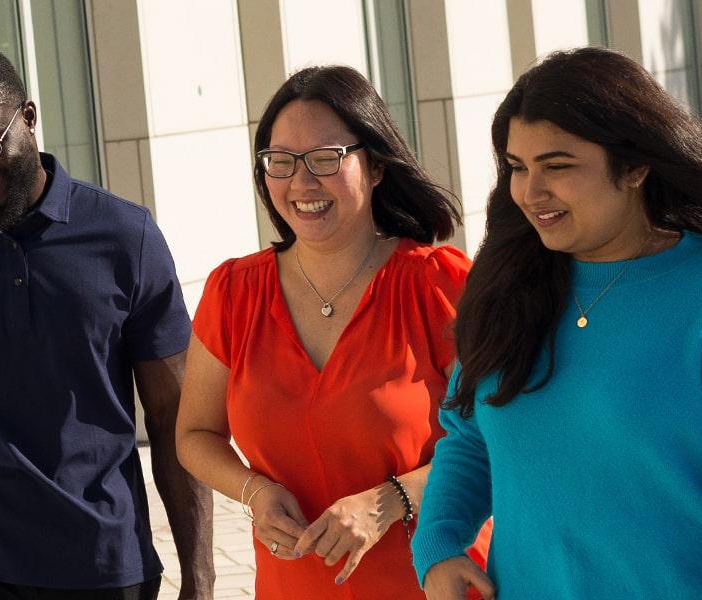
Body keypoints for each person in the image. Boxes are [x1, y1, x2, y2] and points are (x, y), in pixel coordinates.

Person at [413, 47, 702, 599]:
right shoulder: (506, 290)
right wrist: (438, 544)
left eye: (557, 166)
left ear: (634, 166)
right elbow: (469, 436)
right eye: (518, 167)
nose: (531, 192)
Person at [0, 45, 213, 600]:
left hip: (106, 563)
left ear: (28, 118)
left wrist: (199, 582)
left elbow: (176, 413)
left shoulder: (127, 236)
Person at [175, 65, 483, 599]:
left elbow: (499, 442)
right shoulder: (232, 293)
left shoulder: (440, 284)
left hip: (436, 583)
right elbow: (194, 436)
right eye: (281, 161)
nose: (301, 182)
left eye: (325, 158)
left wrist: (388, 501)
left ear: (377, 166)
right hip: (292, 586)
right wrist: (254, 491)